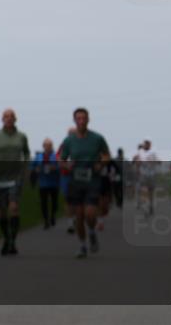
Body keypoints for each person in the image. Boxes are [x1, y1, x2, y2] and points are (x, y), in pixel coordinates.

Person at [58, 108, 111, 259]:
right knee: (79, 216)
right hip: (75, 181)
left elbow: (107, 156)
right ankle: (82, 246)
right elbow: (61, 158)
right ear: (75, 121)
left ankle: (92, 232)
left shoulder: (97, 138)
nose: (81, 121)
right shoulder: (69, 140)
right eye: (78, 119)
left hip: (92, 180)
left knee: (89, 213)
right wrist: (66, 165)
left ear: (88, 120)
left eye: (84, 118)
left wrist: (100, 164)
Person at [0, 109, 30, 255]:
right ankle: (6, 237)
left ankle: (12, 242)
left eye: (11, 117)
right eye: (6, 117)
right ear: (2, 119)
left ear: (15, 119)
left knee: (14, 207)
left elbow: (26, 152)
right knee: (1, 212)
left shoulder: (21, 136)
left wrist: (25, 166)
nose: (9, 119)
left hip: (15, 177)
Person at [31, 138, 61, 229]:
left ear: (52, 146)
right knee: (44, 203)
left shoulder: (56, 156)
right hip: (43, 183)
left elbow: (61, 166)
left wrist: (55, 168)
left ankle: (53, 216)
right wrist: (36, 170)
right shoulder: (39, 156)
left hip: (54, 183)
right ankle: (46, 221)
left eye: (49, 145)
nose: (48, 147)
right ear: (43, 146)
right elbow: (32, 166)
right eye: (46, 145)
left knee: (54, 202)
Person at [134, 140, 160, 217]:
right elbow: (136, 163)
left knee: (150, 192)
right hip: (143, 176)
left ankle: (150, 205)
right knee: (143, 190)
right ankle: (145, 205)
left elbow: (158, 162)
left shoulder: (152, 154)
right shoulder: (139, 155)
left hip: (151, 176)